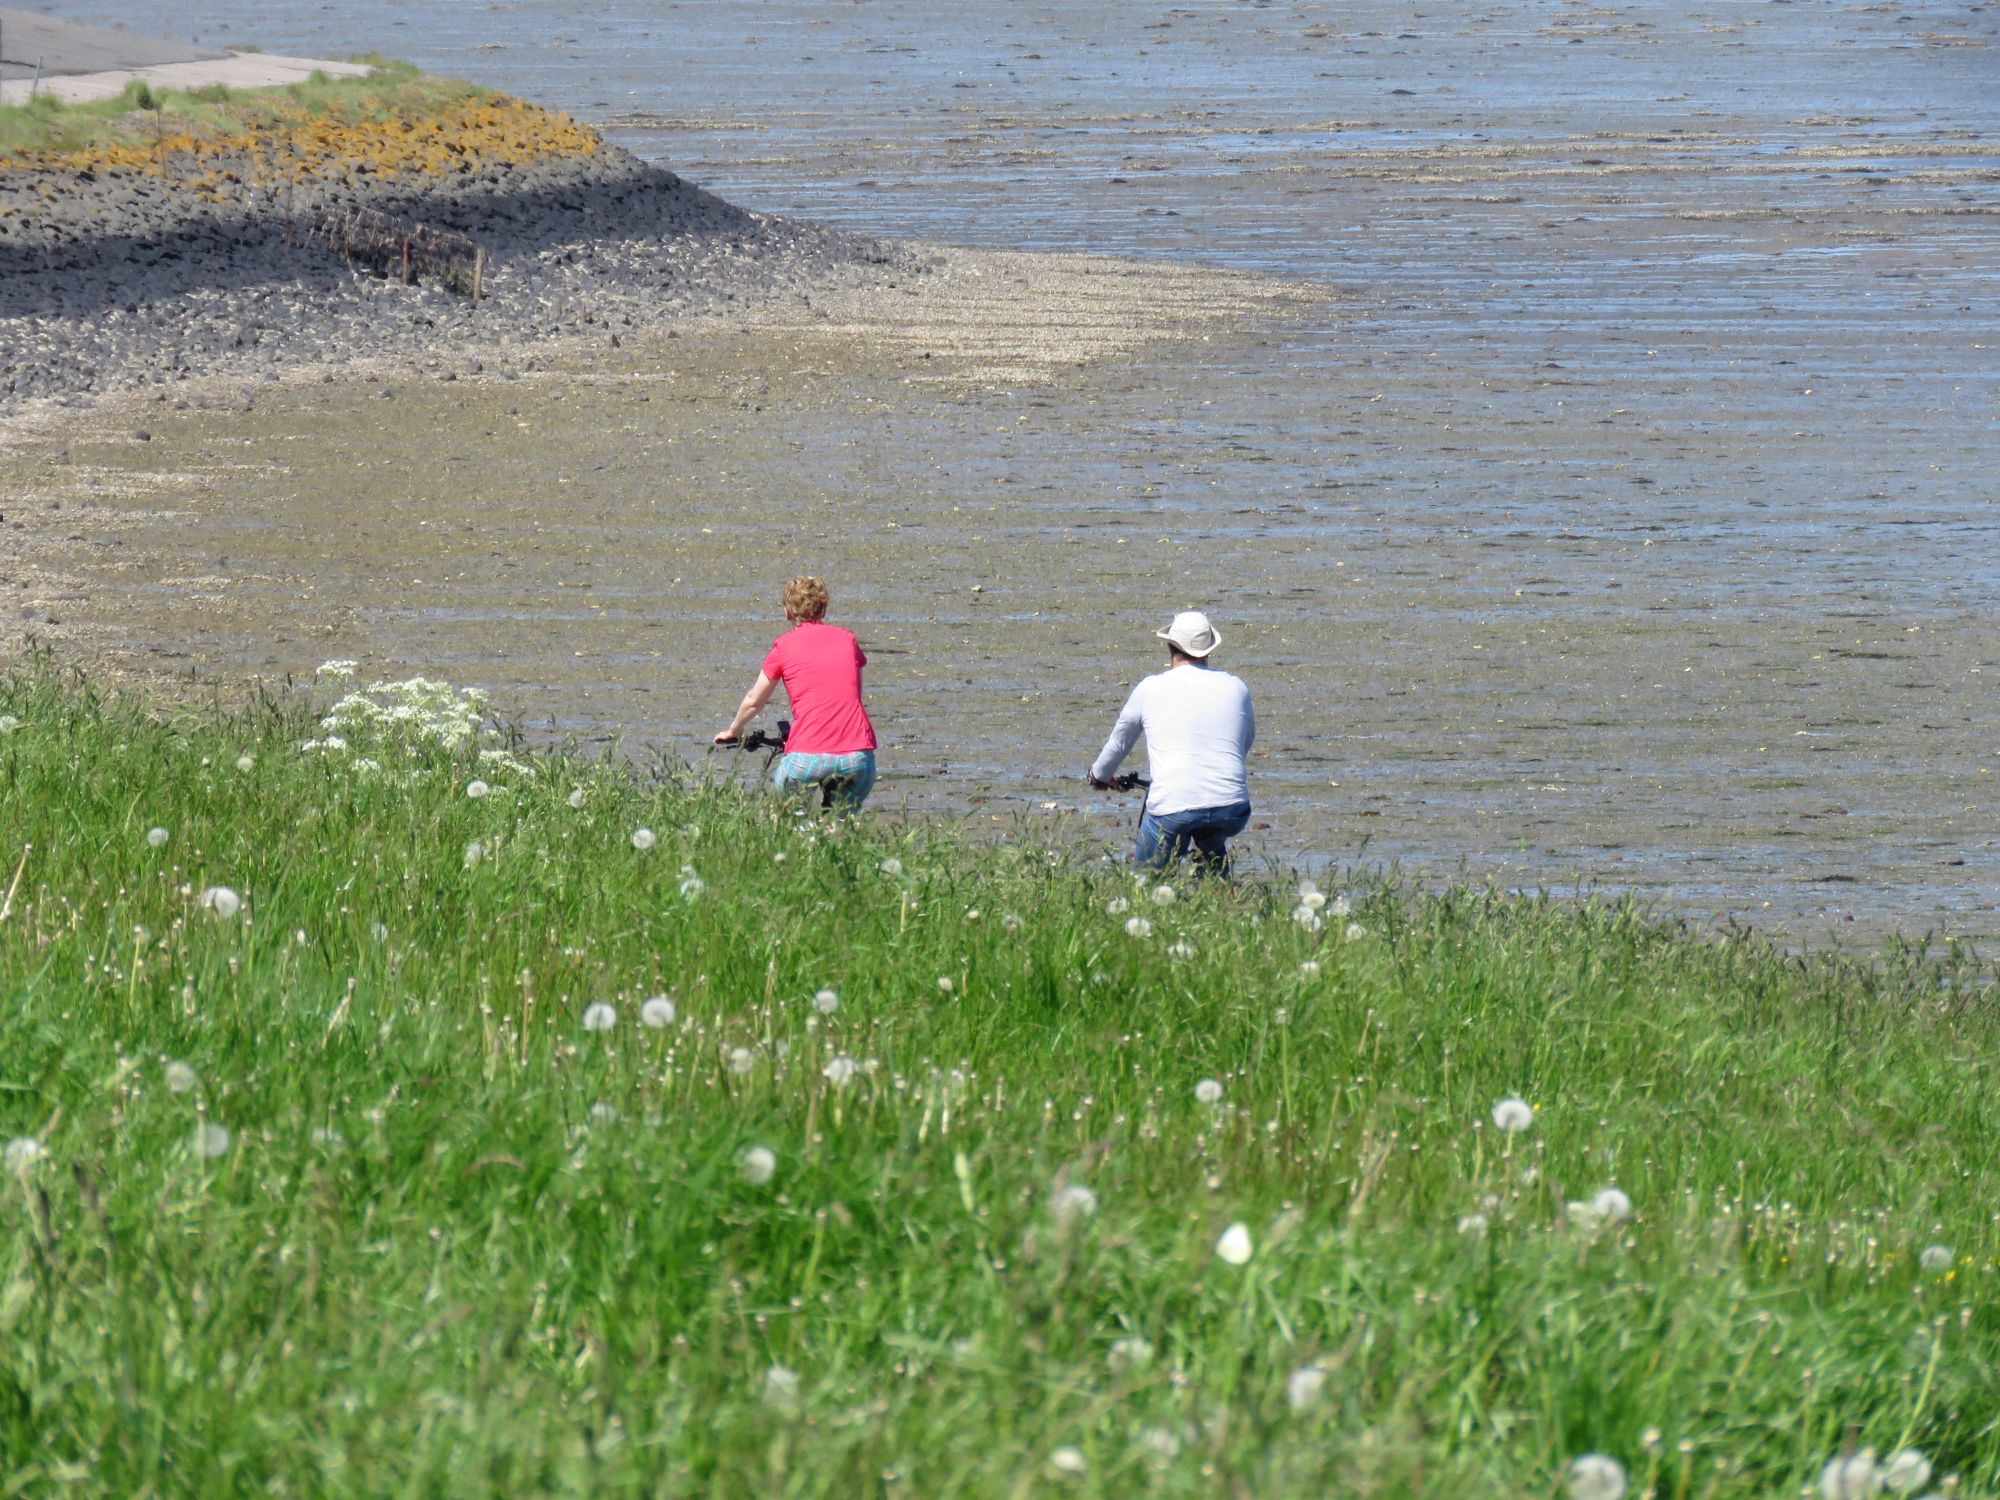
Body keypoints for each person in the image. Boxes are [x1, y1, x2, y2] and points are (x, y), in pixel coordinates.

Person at [1089, 610, 1255, 872]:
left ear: (1170, 646)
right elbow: (1244, 743)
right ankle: (1221, 896)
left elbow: (1119, 744)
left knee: (1146, 879)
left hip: (1173, 805)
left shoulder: (1150, 688)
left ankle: (1146, 894)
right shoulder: (1237, 686)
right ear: (1208, 649)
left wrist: (1099, 775)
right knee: (1211, 841)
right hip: (1232, 806)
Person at [715, 576, 878, 812]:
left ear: (787, 612)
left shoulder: (784, 646)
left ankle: (798, 836)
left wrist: (734, 730)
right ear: (824, 608)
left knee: (789, 816)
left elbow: (753, 701)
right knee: (841, 822)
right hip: (858, 756)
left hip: (808, 756)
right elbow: (854, 694)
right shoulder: (848, 639)